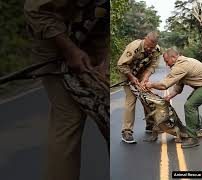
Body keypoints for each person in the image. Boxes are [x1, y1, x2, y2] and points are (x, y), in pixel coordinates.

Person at [24, 1, 109, 180]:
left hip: (100, 38)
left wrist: (108, 61)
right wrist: (70, 50)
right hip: (55, 41)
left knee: (111, 121)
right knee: (68, 118)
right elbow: (36, 11)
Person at [146, 48, 202, 148]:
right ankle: (198, 125)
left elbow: (164, 85)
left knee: (190, 105)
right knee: (192, 103)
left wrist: (151, 85)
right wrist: (169, 96)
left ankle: (192, 138)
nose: (167, 64)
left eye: (167, 61)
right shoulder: (180, 63)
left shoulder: (181, 65)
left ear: (174, 57)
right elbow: (178, 86)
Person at [117, 31, 161, 143]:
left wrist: (145, 78)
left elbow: (152, 66)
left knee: (146, 97)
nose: (149, 49)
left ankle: (150, 125)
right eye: (147, 46)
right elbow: (121, 65)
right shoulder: (134, 47)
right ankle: (126, 131)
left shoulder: (156, 50)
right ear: (144, 39)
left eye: (152, 47)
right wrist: (132, 78)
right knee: (131, 99)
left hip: (141, 73)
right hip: (127, 73)